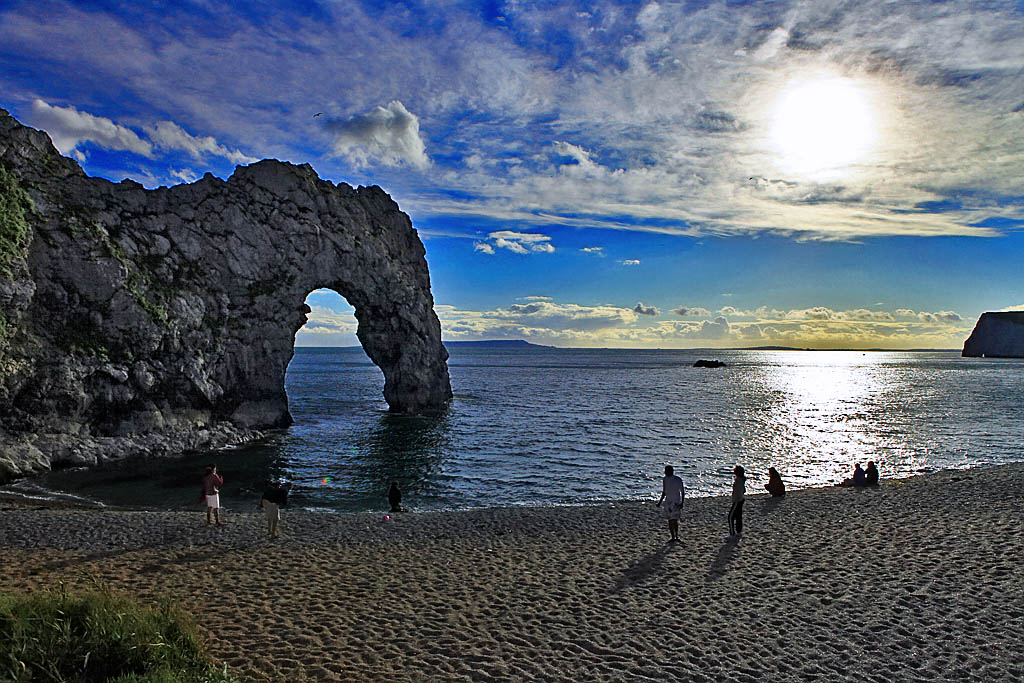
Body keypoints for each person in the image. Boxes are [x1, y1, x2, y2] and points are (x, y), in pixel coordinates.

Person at [656, 465, 685, 543]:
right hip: (668, 502)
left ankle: (676, 536)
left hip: (676, 502)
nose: (665, 473)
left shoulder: (678, 480)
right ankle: (672, 537)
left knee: (675, 520)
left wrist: (682, 502)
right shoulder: (665, 479)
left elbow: (682, 492)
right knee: (670, 520)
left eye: (666, 471)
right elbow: (664, 491)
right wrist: (660, 502)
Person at [727, 465, 746, 540]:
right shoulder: (741, 480)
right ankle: (739, 532)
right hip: (741, 499)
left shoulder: (738, 481)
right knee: (738, 516)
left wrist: (736, 498)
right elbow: (744, 490)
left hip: (737, 500)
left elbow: (738, 491)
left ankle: (732, 534)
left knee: (730, 517)